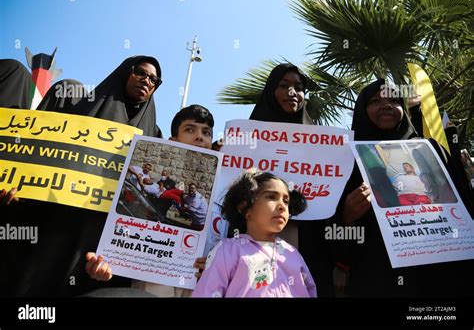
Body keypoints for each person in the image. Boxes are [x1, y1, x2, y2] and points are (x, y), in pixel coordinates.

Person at [0, 55, 164, 297]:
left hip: (94, 255)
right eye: (141, 72)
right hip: (49, 230)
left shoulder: (153, 136)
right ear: (124, 72)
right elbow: (35, 156)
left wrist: (116, 260)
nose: (147, 81)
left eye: (154, 80)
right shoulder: (75, 101)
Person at [334, 78, 474, 297]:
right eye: (375, 101)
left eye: (393, 100)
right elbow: (331, 235)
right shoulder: (345, 159)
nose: (386, 105)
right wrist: (346, 217)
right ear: (362, 110)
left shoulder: (431, 150)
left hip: (441, 269)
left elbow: (462, 202)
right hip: (379, 273)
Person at [85, 104, 214, 297]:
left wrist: (214, 264)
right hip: (150, 283)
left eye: (206, 132)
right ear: (173, 140)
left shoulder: (222, 190)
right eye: (190, 129)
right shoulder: (140, 181)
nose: (199, 137)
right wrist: (105, 265)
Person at [248, 63, 334, 296]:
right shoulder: (247, 137)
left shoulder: (320, 141)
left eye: (298, 87)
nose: (292, 92)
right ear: (270, 91)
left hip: (309, 239)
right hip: (256, 242)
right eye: (284, 85)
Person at [192, 169, 316, 297]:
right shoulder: (227, 250)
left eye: (286, 201)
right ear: (245, 208)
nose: (282, 206)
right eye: (271, 197)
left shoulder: (293, 254)